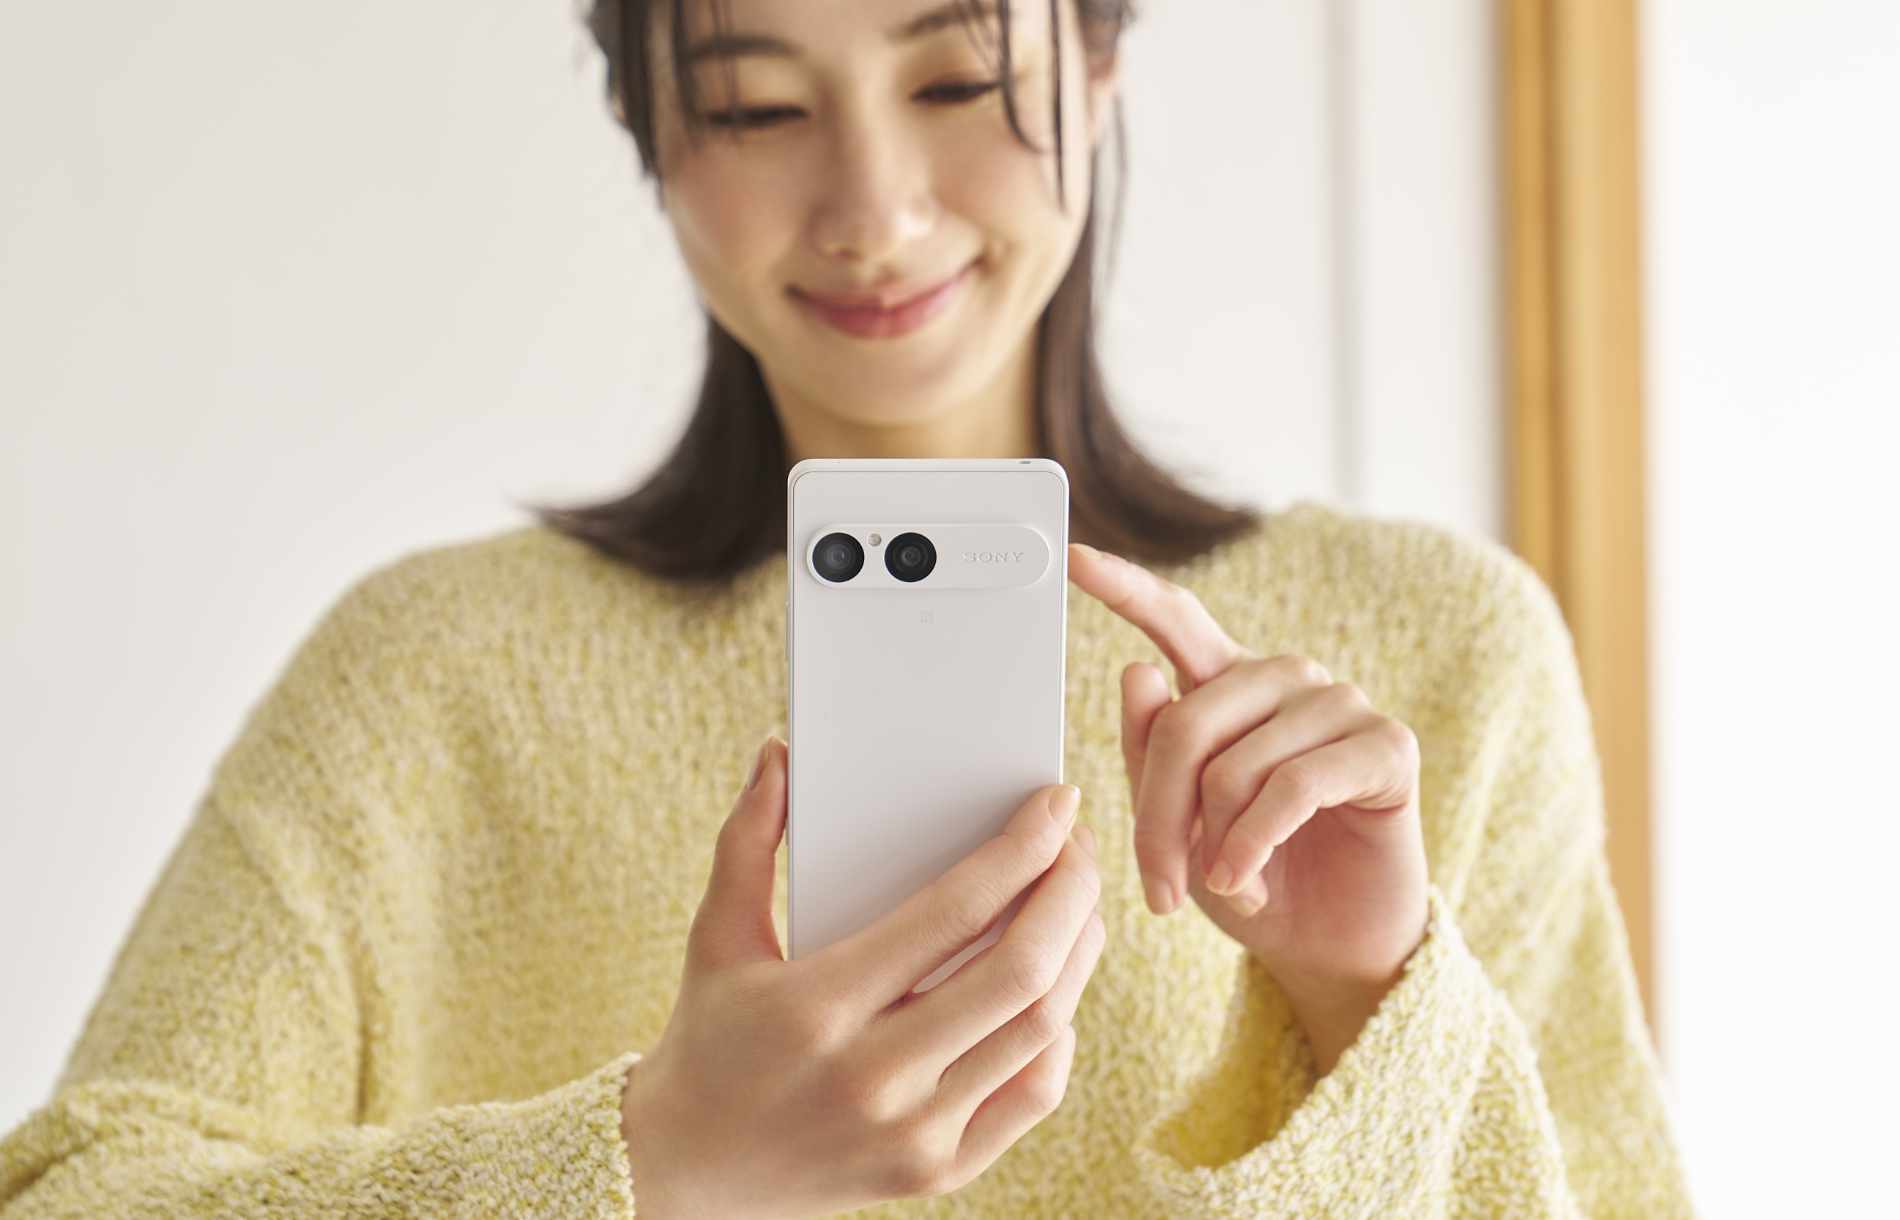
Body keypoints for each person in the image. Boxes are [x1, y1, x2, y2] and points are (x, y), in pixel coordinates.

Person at [0, 1, 1697, 1217]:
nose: (873, 210)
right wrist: (655, 1163)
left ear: (1098, 56)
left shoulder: (1436, 653)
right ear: (648, 129)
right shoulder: (426, 680)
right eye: (754, 106)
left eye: (955, 76)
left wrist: (1365, 1002)